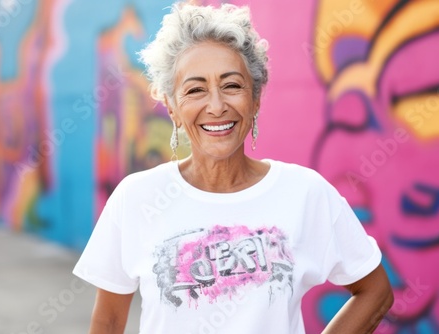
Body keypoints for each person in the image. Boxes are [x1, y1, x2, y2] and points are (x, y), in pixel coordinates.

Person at [73, 2, 393, 333]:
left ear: (255, 99)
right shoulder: (137, 197)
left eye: (232, 86)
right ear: (171, 107)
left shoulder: (305, 193)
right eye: (195, 90)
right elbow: (109, 320)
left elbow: (375, 291)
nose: (216, 106)